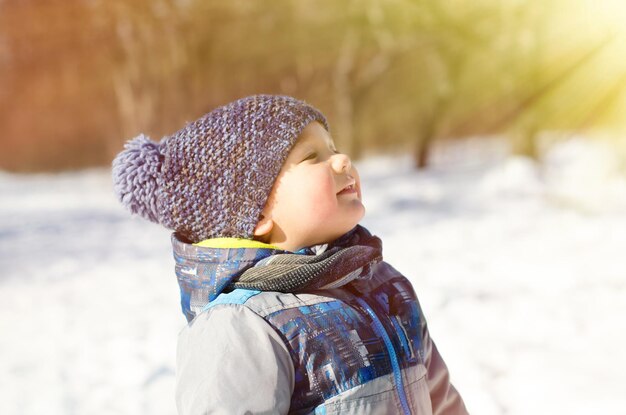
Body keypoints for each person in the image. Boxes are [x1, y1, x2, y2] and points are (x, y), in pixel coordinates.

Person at [112, 95, 469, 414]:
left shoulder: (383, 285)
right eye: (313, 156)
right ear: (256, 213)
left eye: (333, 148)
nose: (342, 159)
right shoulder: (242, 326)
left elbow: (440, 396)